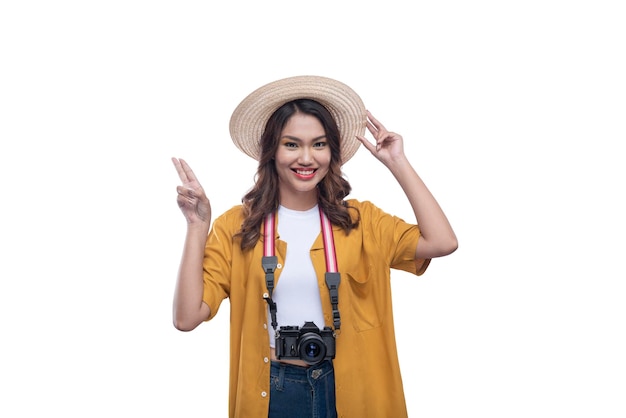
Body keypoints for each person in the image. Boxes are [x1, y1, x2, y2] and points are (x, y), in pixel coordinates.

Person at [172, 75, 458, 418]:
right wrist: (196, 227)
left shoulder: (362, 222)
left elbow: (442, 242)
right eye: (291, 144)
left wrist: (397, 162)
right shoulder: (238, 226)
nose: (307, 158)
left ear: (332, 152)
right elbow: (187, 317)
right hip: (273, 392)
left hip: (353, 389)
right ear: (271, 151)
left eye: (319, 144)